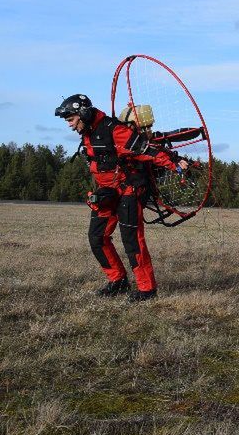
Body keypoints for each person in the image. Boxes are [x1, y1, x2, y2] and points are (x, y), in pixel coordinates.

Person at [55, 94, 187, 302]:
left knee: (131, 240)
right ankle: (118, 281)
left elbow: (146, 148)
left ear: (83, 113)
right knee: (97, 237)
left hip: (130, 189)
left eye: (71, 119)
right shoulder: (88, 132)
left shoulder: (113, 129)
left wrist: (175, 162)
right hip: (107, 191)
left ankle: (147, 289)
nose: (70, 125)